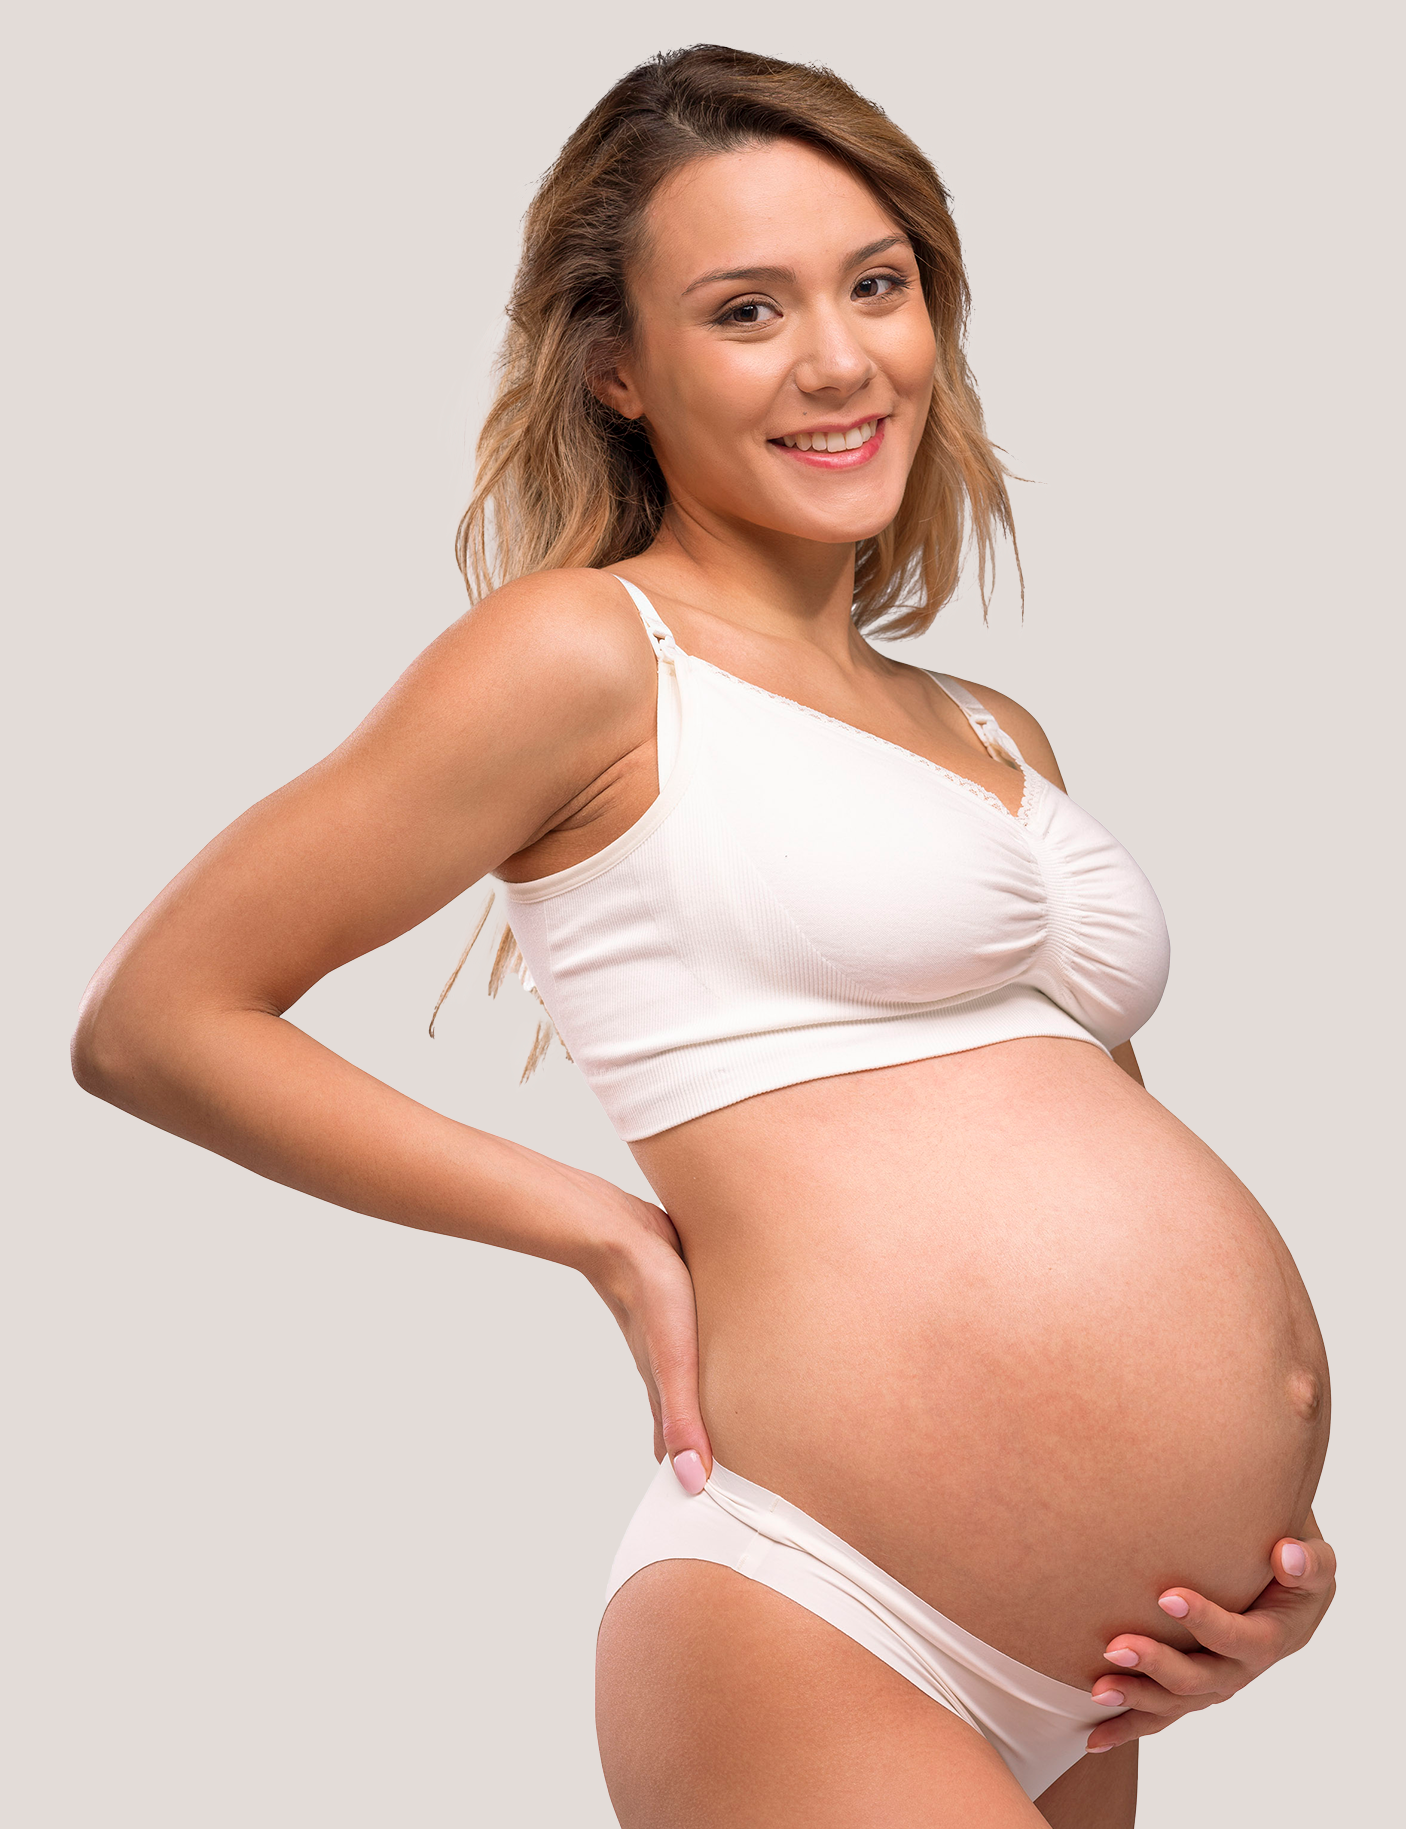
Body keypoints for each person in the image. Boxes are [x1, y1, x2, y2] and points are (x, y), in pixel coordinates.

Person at [73, 45, 1336, 1829]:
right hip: (816, 1615)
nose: (838, 360)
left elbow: (1091, 1144)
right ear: (617, 367)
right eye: (748, 310)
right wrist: (603, 1233)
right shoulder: (585, 657)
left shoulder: (994, 732)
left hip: (1114, 1677)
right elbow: (157, 1019)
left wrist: (1254, 1545)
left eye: (875, 284)